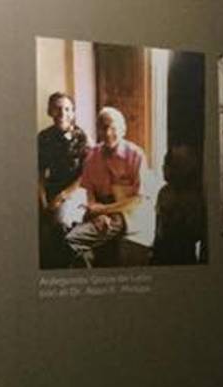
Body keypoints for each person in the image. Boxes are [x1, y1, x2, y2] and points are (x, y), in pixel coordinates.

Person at [65, 106, 150, 266]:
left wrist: (103, 210)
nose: (108, 133)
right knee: (69, 236)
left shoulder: (136, 155)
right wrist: (96, 212)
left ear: (123, 129)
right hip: (100, 210)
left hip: (124, 212)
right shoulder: (92, 156)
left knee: (71, 241)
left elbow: (137, 199)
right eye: (104, 128)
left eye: (113, 127)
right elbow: (88, 191)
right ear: (98, 130)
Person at [37, 92, 90, 265]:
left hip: (75, 190)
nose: (62, 114)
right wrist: (43, 200)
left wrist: (63, 196)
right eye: (57, 109)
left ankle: (66, 265)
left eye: (67, 109)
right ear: (49, 111)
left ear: (73, 112)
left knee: (59, 222)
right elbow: (39, 173)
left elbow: (85, 175)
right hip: (51, 189)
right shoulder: (44, 137)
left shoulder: (81, 137)